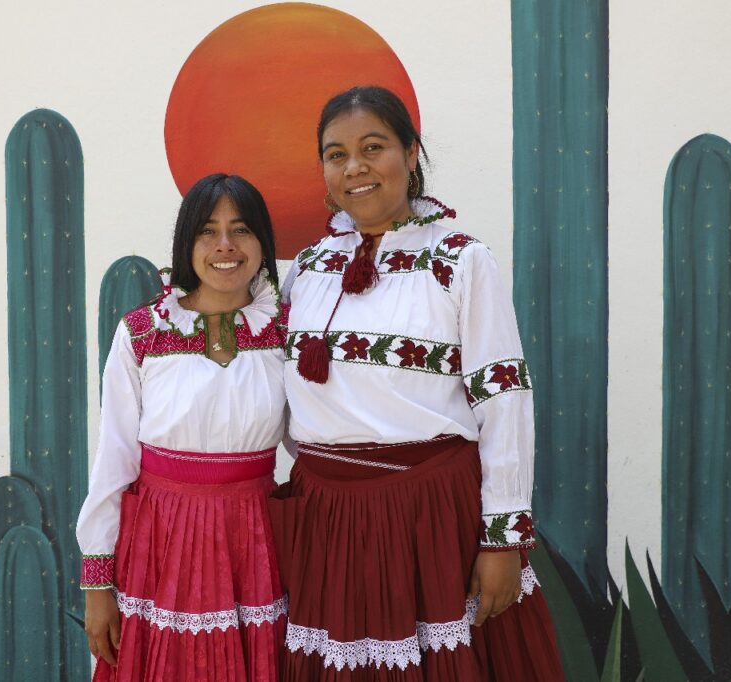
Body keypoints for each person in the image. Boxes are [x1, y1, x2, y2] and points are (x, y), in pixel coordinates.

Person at [271, 86, 564, 680]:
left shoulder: (461, 261)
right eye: (336, 154)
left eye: (372, 147)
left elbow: (503, 398)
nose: (354, 167)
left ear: (410, 154)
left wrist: (503, 539)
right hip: (327, 517)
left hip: (430, 516)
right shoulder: (307, 268)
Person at [77, 173, 288, 681]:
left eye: (240, 230)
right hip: (160, 540)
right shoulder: (143, 333)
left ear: (263, 242)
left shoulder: (286, 331)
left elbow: (315, 438)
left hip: (256, 539)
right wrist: (97, 584)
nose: (224, 246)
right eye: (206, 231)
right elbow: (114, 460)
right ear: (184, 242)